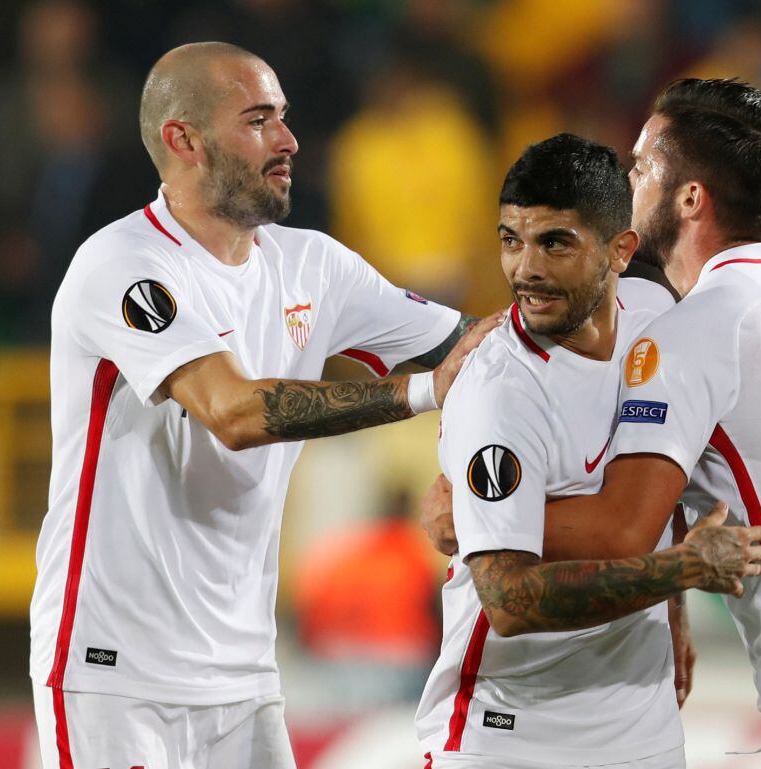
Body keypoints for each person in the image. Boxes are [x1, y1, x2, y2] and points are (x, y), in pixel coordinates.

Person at [424, 79, 761, 768]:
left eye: (644, 165)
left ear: (690, 199)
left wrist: (482, 518)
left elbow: (623, 528)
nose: (628, 178)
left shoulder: (690, 331)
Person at [29, 41, 497, 769]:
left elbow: (474, 349)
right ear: (183, 139)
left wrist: (598, 330)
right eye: (257, 121)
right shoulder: (122, 264)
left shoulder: (311, 264)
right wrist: (422, 393)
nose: (289, 140)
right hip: (114, 672)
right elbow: (234, 412)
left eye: (283, 117)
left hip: (244, 673)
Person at [416, 133, 761, 769]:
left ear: (620, 250)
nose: (526, 268)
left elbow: (661, 478)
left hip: (643, 729)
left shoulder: (655, 315)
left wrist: (675, 614)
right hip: (510, 736)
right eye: (510, 240)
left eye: (555, 242)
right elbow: (508, 602)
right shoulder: (499, 393)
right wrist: (680, 571)